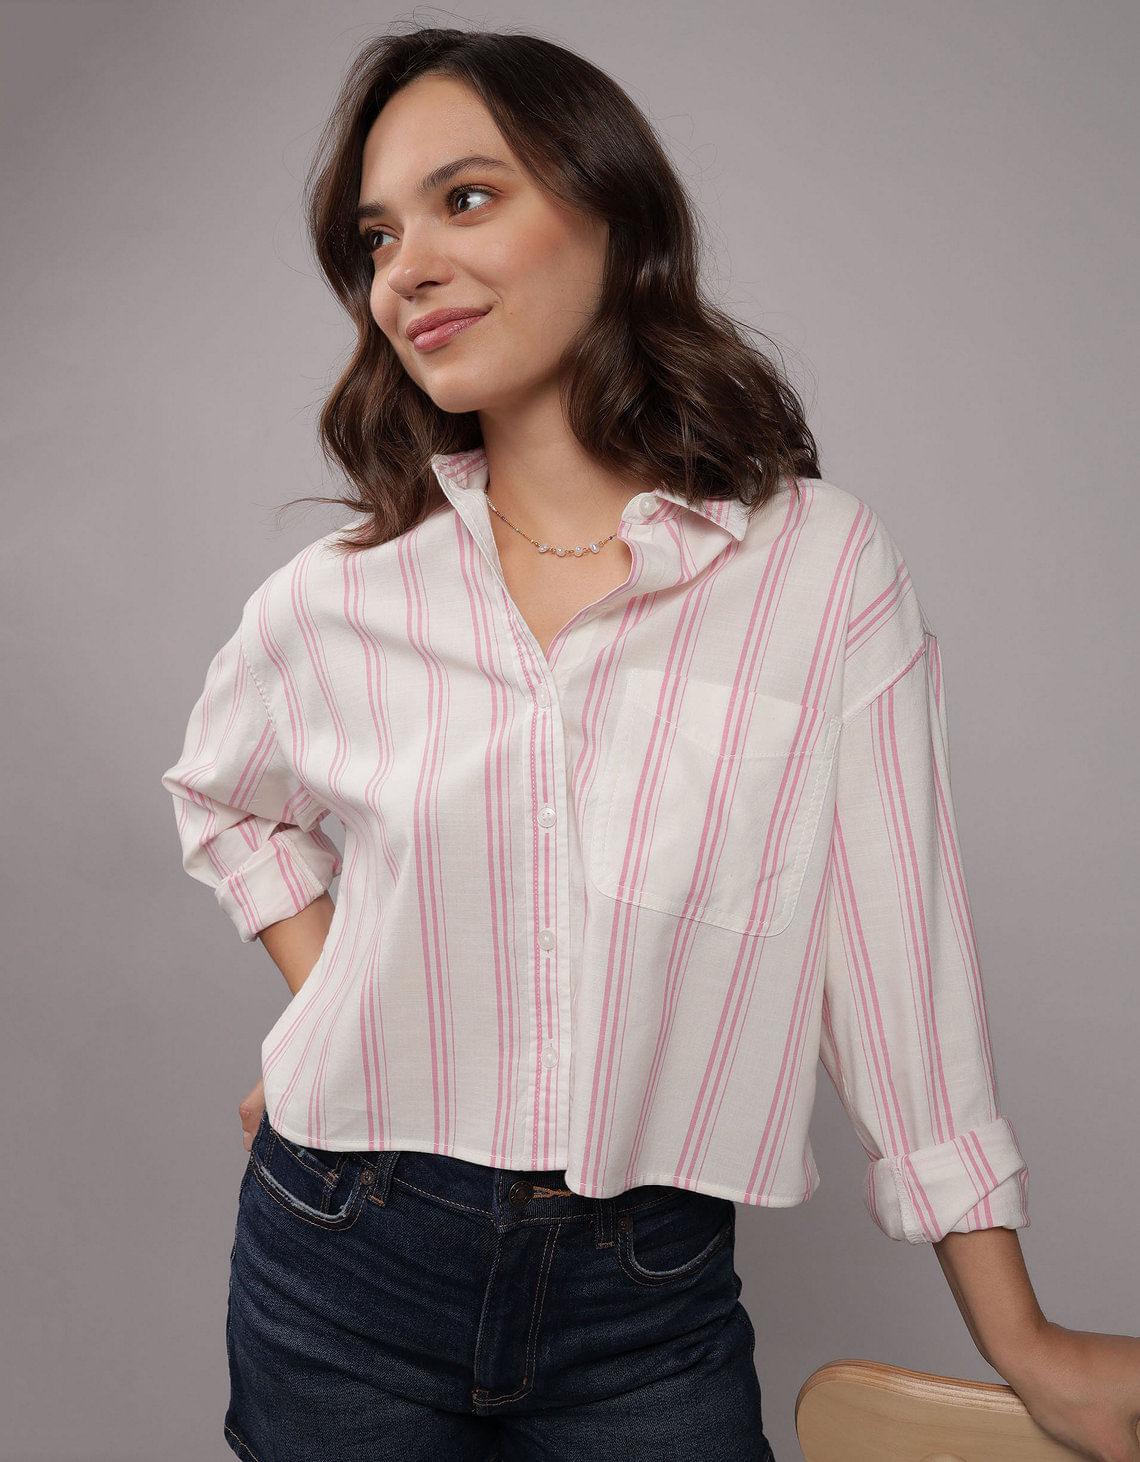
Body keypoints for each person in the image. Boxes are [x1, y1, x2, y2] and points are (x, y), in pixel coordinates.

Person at [160, 25, 1140, 1462]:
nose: (407, 268)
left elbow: (896, 960)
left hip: (646, 1295)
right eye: (377, 237)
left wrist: (1020, 1338)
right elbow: (225, 801)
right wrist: (349, 1010)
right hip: (343, 1258)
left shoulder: (815, 568)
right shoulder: (339, 599)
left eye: (466, 198)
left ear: (612, 212)